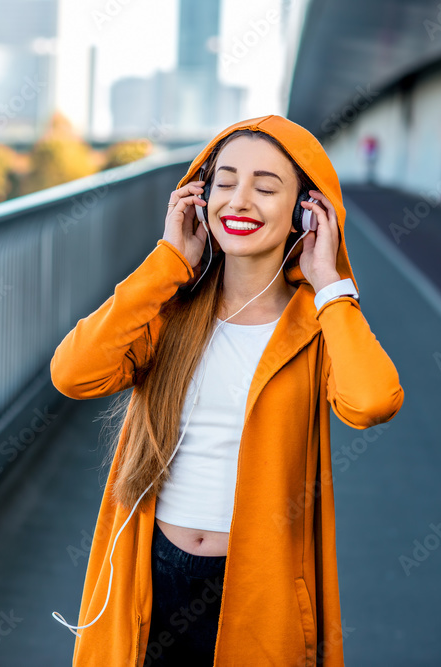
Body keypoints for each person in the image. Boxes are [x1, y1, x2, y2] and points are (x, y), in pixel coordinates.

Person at [50, 115, 404, 666]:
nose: (240, 201)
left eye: (266, 188)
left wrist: (332, 286)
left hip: (256, 590)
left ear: (304, 213)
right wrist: (167, 263)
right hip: (153, 574)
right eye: (225, 182)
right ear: (199, 196)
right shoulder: (169, 308)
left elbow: (372, 400)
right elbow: (74, 373)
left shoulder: (317, 325)